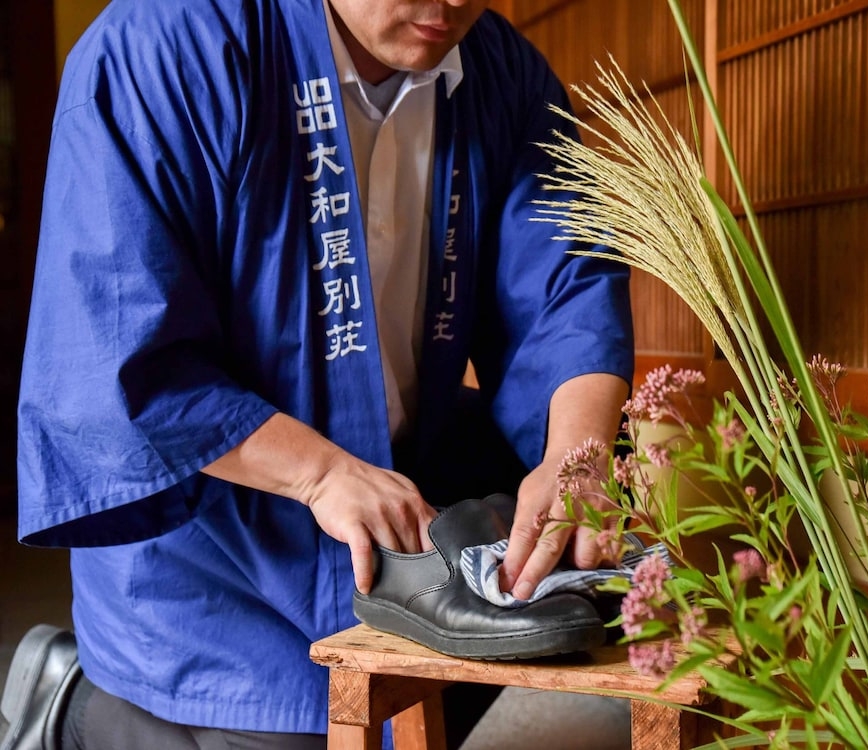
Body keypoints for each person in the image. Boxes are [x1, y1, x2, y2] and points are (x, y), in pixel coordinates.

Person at [7, 0, 634, 748]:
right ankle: (72, 703)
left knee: (505, 653)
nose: (451, 5)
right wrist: (316, 476)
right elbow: (116, 346)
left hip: (404, 491)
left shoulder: (503, 71)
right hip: (221, 525)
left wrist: (576, 460)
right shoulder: (164, 45)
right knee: (290, 730)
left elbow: (567, 291)